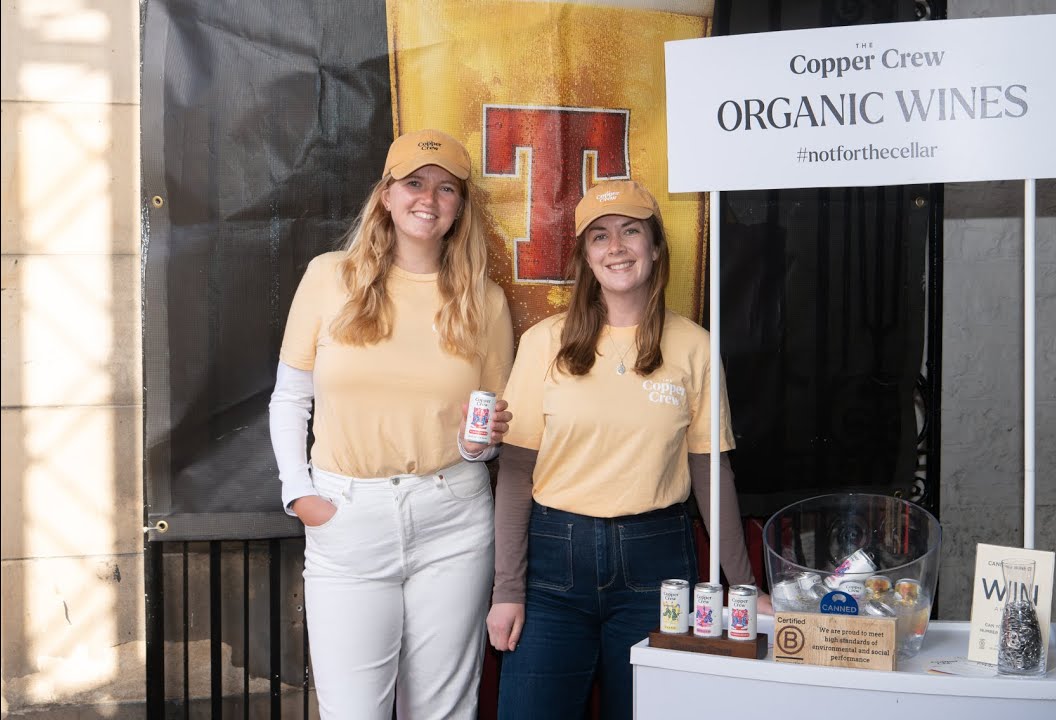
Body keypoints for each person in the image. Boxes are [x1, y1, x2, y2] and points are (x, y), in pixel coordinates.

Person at [486, 180, 770, 720]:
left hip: (657, 563)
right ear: (585, 257)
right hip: (553, 563)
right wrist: (507, 590)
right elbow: (517, 474)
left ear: (656, 247)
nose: (615, 247)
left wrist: (744, 585)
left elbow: (712, 474)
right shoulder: (544, 342)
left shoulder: (695, 346)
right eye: (599, 236)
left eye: (631, 231)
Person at [268, 128, 514, 718]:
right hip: (347, 515)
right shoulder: (329, 277)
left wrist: (478, 445)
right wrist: (299, 493)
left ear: (460, 207)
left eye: (446, 189)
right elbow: (290, 398)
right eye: (414, 183)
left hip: (453, 518)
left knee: (442, 711)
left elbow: (485, 437)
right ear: (386, 194)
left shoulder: (484, 300)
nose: (428, 198)